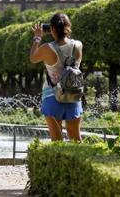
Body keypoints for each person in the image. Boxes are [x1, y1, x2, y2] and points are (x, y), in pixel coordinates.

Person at [29, 13, 83, 142]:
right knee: (76, 138)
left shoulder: (47, 48)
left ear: (52, 29)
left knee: (56, 141)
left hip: (52, 95)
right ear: (68, 27)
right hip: (73, 94)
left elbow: (32, 58)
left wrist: (37, 38)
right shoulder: (78, 45)